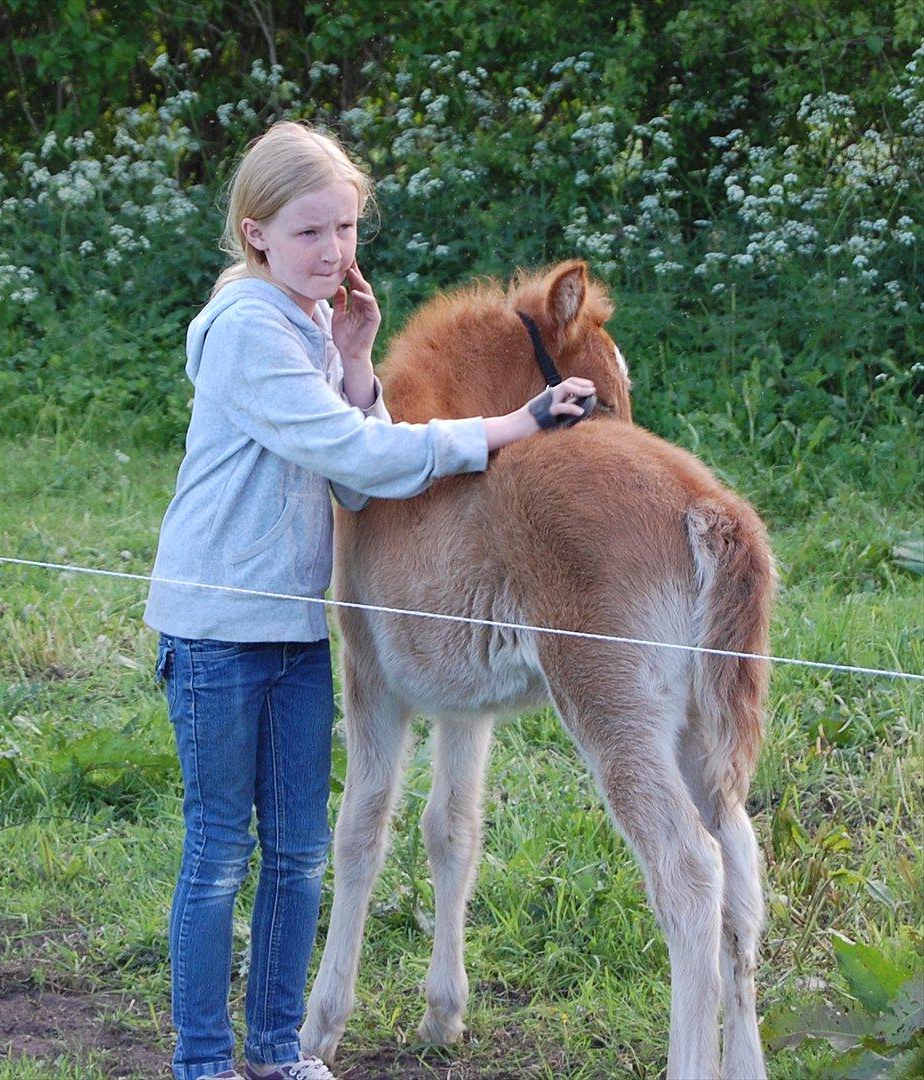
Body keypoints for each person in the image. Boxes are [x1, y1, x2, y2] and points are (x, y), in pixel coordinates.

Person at [143, 120, 595, 1080]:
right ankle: (200, 1059)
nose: (335, 252)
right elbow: (357, 458)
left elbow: (354, 485)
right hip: (217, 631)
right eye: (311, 232)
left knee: (301, 850)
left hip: (296, 627)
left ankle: (275, 1052)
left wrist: (356, 361)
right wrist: (510, 425)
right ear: (255, 233)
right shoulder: (245, 333)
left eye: (346, 229)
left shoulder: (309, 321)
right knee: (221, 852)